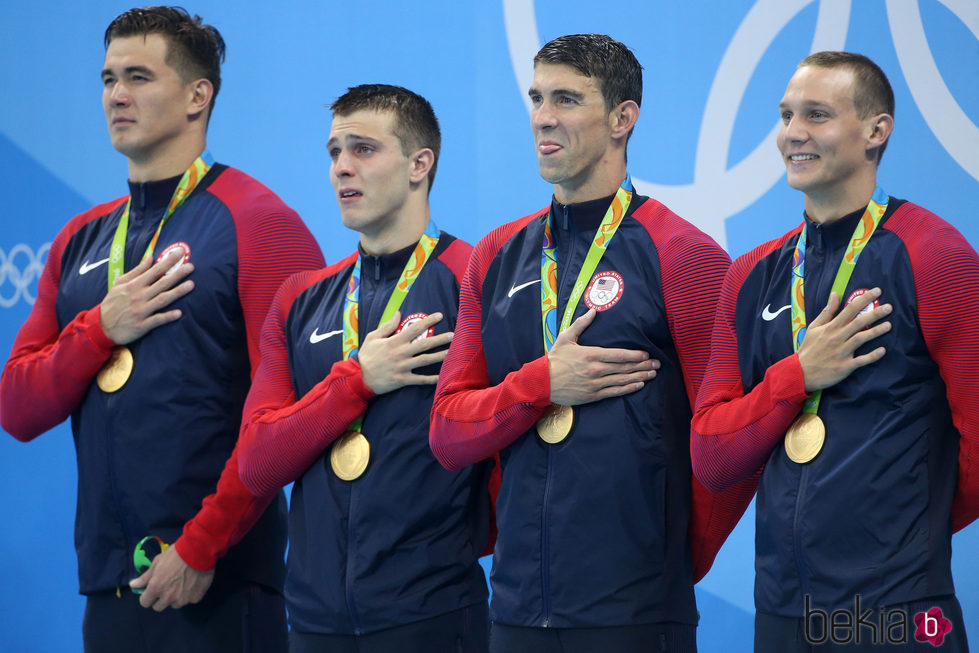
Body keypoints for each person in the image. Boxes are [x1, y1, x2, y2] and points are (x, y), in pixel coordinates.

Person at [0, 6, 323, 652]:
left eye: (139, 77)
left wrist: (202, 546)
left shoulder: (259, 223)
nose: (116, 95)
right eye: (108, 78)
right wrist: (100, 328)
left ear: (197, 96)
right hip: (109, 589)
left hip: (220, 582)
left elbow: (293, 417)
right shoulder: (79, 239)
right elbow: (17, 405)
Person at [429, 33, 756, 653]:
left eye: (567, 99)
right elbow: (448, 433)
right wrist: (541, 385)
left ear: (622, 119)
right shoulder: (497, 256)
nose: (543, 116)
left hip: (634, 611)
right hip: (518, 609)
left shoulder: (685, 257)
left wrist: (664, 561)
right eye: (537, 97)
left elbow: (727, 447)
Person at [691, 51, 977, 651]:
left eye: (817, 115)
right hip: (781, 612)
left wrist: (904, 532)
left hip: (900, 608)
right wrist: (796, 375)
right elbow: (713, 456)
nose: (792, 133)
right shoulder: (752, 275)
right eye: (787, 114)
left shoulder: (935, 256)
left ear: (877, 131)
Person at [236, 84, 493, 653]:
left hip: (433, 613)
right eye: (334, 152)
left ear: (419, 164)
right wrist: (357, 381)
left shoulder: (476, 280)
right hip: (313, 622)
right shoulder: (302, 299)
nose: (342, 168)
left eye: (363, 149)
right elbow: (256, 463)